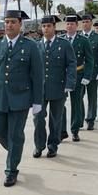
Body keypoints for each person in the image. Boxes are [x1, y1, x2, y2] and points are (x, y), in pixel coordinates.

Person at [0, 10, 43, 187]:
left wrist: (37, 101)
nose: (9, 25)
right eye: (6, 22)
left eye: (13, 22)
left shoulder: (30, 46)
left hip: (21, 98)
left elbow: (37, 76)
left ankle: (11, 170)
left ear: (20, 24)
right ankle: (14, 151)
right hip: (1, 98)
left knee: (15, 134)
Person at [33, 15, 76, 158]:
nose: (45, 29)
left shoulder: (64, 44)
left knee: (55, 119)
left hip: (59, 87)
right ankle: (39, 145)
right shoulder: (36, 45)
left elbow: (71, 64)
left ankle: (53, 145)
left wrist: (70, 83)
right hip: (39, 90)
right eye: (43, 26)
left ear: (54, 27)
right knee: (38, 118)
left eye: (48, 26)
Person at [61, 14, 94, 142]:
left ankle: (75, 130)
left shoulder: (83, 40)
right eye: (68, 24)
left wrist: (87, 76)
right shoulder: (61, 40)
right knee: (60, 105)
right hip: (62, 77)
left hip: (78, 75)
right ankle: (61, 131)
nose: (69, 26)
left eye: (72, 24)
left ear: (77, 26)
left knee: (76, 104)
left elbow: (90, 60)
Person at [80, 14, 98, 131]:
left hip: (93, 72)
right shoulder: (78, 37)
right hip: (80, 73)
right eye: (83, 22)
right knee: (78, 98)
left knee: (92, 97)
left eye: (87, 22)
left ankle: (90, 119)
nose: (85, 24)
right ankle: (78, 119)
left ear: (91, 23)